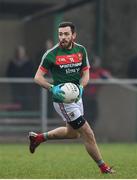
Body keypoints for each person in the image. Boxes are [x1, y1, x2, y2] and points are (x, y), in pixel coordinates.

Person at [28, 22, 115, 174]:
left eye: (66, 34)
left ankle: (39, 138)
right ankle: (104, 168)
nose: (63, 37)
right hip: (63, 100)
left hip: (76, 97)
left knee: (73, 133)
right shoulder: (51, 54)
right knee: (87, 132)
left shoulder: (81, 50)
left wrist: (81, 87)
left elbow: (86, 73)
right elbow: (37, 77)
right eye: (60, 34)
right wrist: (52, 88)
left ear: (73, 35)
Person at [84, 56, 112, 128]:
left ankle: (90, 129)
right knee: (85, 114)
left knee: (94, 114)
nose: (96, 64)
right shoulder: (85, 71)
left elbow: (108, 77)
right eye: (94, 63)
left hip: (93, 97)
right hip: (84, 96)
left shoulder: (100, 72)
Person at [7, 45, 35, 110]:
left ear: (24, 53)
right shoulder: (12, 62)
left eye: (21, 52)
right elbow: (8, 73)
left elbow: (32, 73)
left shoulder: (29, 62)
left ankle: (27, 112)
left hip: (27, 86)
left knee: (26, 99)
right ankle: (17, 112)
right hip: (15, 85)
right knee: (16, 99)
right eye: (18, 52)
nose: (20, 54)